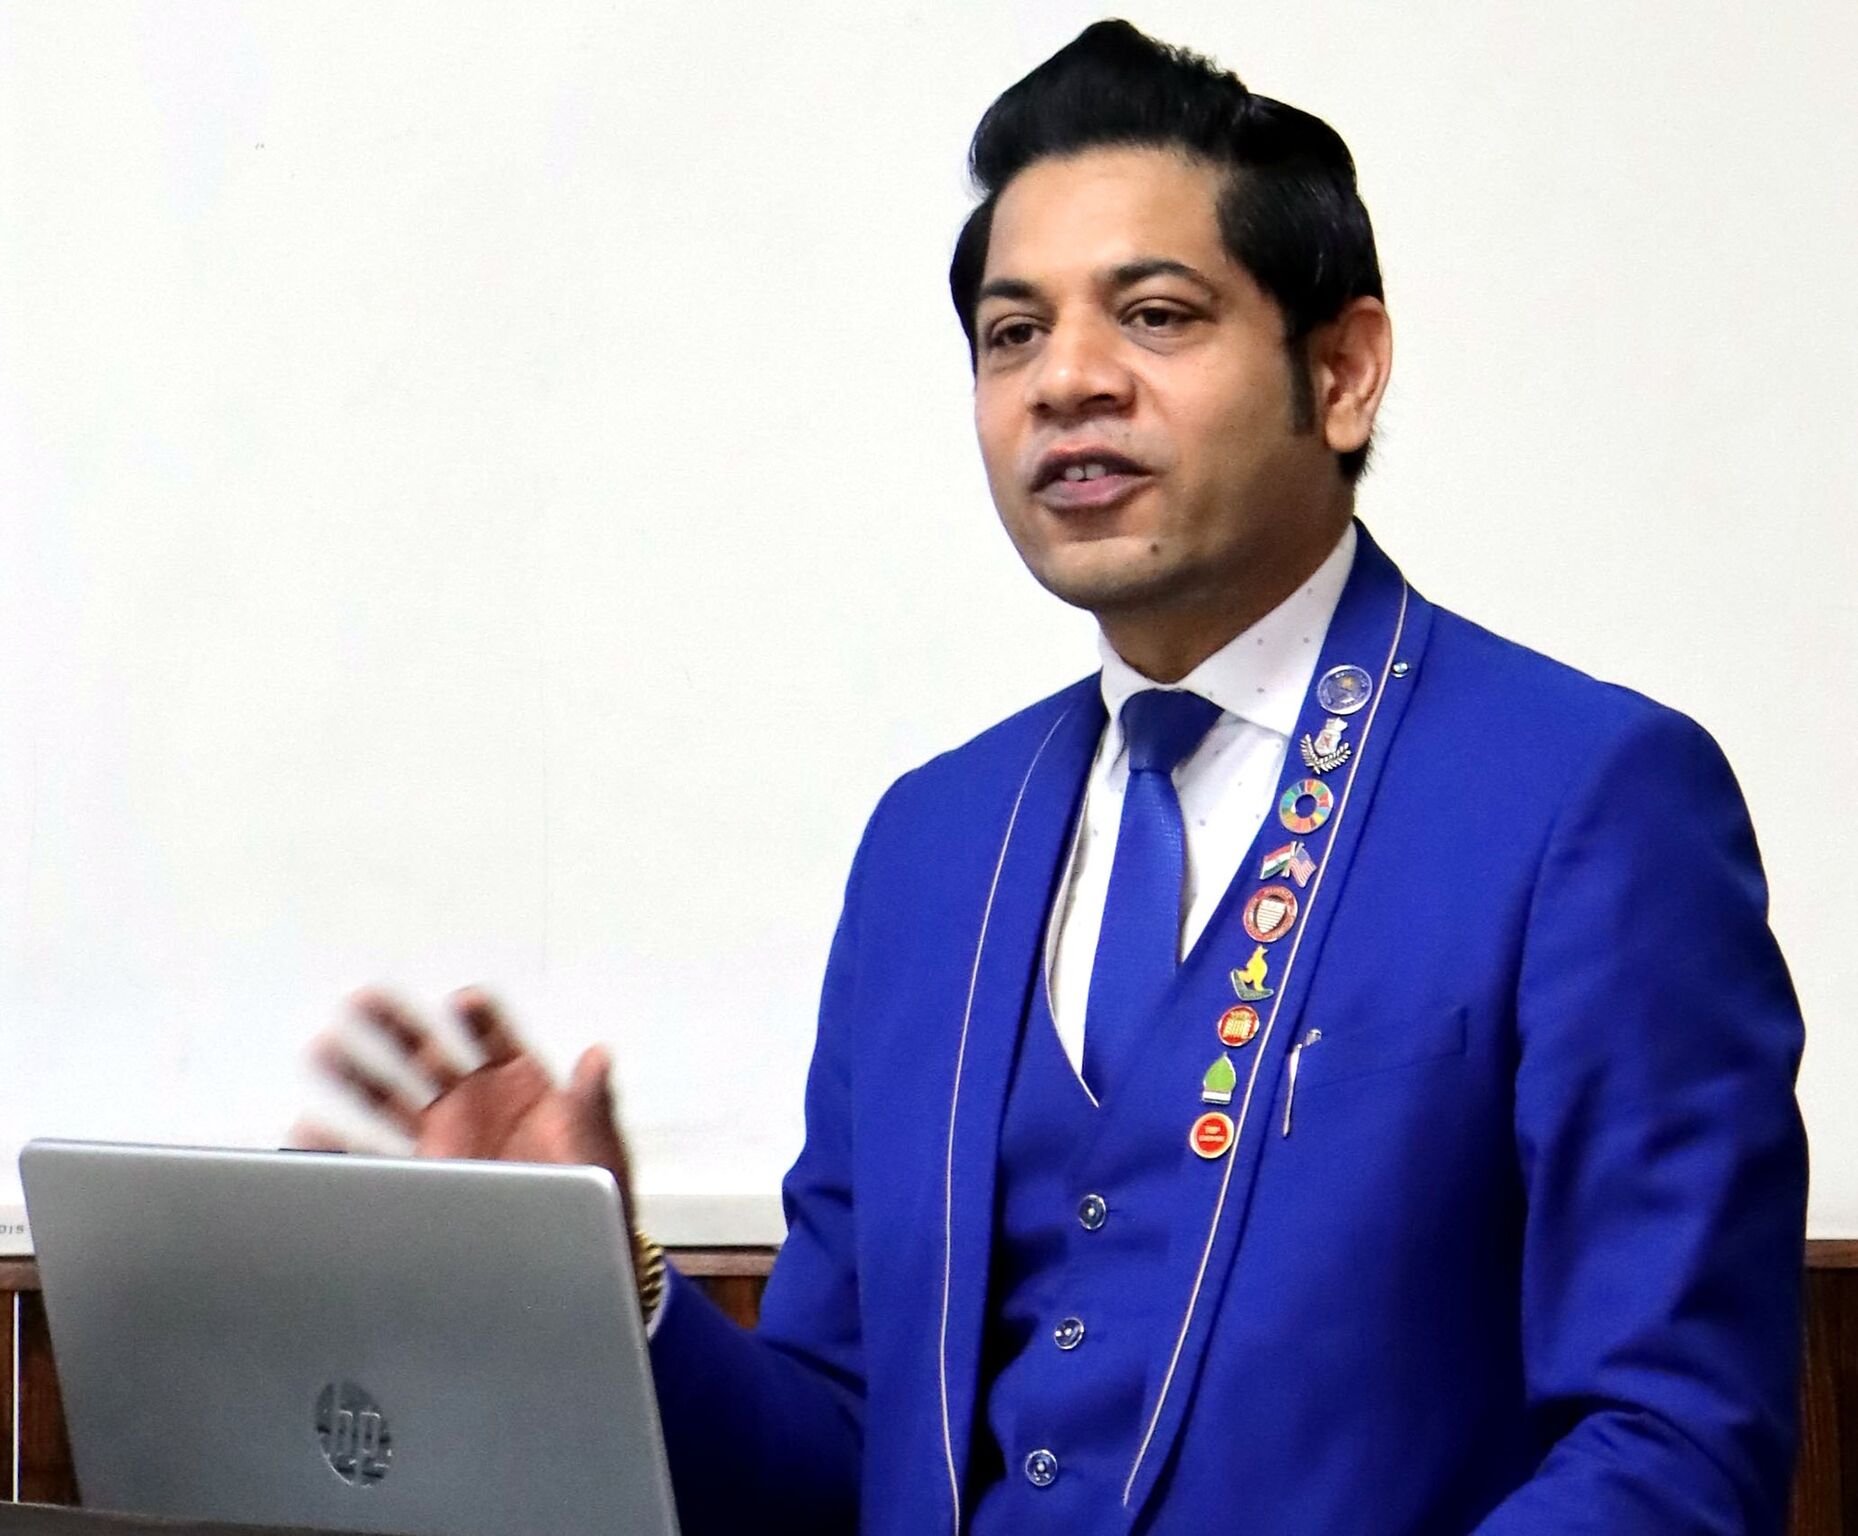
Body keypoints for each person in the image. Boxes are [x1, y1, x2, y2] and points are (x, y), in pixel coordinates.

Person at [303, 21, 1808, 1534]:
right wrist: (607, 1283)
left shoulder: (1587, 801)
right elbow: (843, 1465)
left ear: (1342, 372)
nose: (1067, 381)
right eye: (1012, 333)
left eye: (1154, 315)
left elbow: (1671, 1446)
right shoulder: (933, 846)